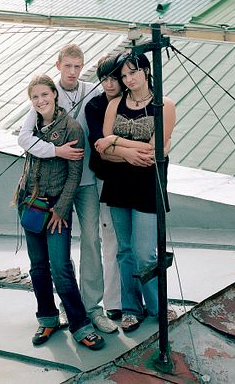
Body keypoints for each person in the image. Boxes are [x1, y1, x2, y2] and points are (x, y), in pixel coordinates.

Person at [18, 44, 117, 334]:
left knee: (91, 240)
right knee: (58, 253)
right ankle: (66, 302)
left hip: (86, 181)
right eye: (68, 66)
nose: (73, 71)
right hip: (55, 186)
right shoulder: (46, 94)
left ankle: (92, 306)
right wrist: (56, 151)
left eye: (78, 66)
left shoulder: (93, 91)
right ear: (58, 65)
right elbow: (24, 138)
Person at [95, 52, 177, 333]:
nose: (128, 80)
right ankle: (132, 308)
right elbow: (104, 152)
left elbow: (154, 151)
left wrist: (115, 141)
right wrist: (126, 152)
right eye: (124, 76)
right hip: (118, 184)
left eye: (133, 73)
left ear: (145, 70)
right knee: (125, 251)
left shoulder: (164, 105)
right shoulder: (115, 104)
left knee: (144, 253)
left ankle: (158, 305)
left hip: (146, 186)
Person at [84, 54, 151, 322]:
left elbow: (152, 144)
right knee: (114, 241)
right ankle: (117, 301)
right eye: (105, 78)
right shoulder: (96, 106)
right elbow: (101, 145)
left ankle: (145, 301)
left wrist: (120, 147)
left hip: (139, 181)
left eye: (115, 77)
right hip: (109, 180)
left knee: (141, 247)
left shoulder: (135, 101)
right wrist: (128, 154)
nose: (110, 83)